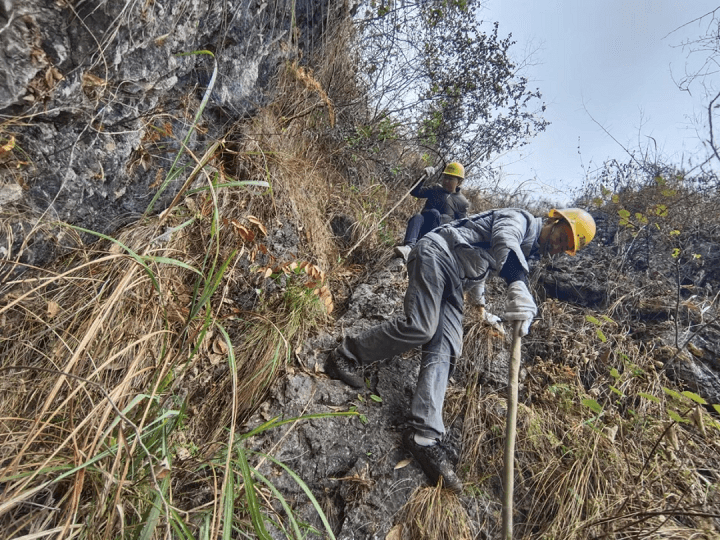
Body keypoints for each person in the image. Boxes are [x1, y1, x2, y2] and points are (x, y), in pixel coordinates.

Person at [325, 207, 596, 492]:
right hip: (436, 252)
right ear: (555, 221)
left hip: (455, 279)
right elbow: (505, 240)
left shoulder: (526, 249)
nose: (558, 247)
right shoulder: (521, 220)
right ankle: (344, 355)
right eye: (562, 237)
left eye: (565, 248)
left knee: (448, 345)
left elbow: (481, 266)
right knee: (421, 326)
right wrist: (518, 284)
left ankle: (424, 438)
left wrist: (481, 308)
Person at [394, 162, 469, 261]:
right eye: (445, 177)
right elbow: (414, 192)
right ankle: (409, 248)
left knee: (435, 213)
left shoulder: (462, 202)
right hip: (423, 229)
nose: (446, 181)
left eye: (450, 179)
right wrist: (423, 177)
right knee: (418, 217)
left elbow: (460, 226)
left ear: (459, 182)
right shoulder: (435, 189)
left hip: (438, 237)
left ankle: (428, 249)